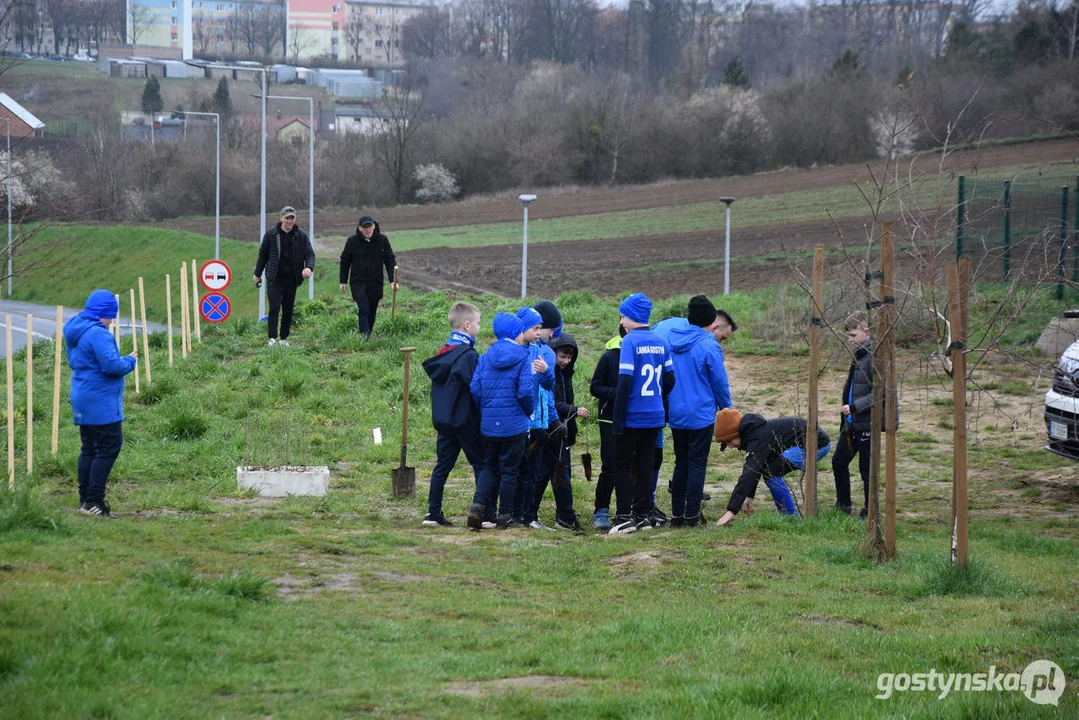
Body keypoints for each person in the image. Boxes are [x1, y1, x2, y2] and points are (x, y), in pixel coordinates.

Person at [653, 296, 733, 527]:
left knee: (681, 463)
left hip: (676, 413)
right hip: (700, 415)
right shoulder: (709, 345)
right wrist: (727, 409)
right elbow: (719, 382)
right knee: (697, 464)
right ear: (711, 322)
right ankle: (691, 515)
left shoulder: (671, 339)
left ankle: (677, 516)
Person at [64, 290, 138, 519]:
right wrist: (130, 360)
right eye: (110, 315)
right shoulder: (99, 335)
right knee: (109, 447)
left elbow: (73, 361)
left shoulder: (76, 329)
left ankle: (84, 499)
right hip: (100, 400)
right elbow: (112, 367)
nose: (112, 320)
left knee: (89, 448)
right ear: (104, 313)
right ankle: (94, 501)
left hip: (82, 394)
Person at [609, 293, 675, 535]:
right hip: (655, 415)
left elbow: (624, 382)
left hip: (632, 415)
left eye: (624, 316)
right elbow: (670, 379)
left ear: (633, 317)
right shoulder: (661, 341)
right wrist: (656, 398)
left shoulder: (629, 342)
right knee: (647, 465)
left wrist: (618, 418)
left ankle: (624, 516)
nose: (622, 321)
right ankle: (643, 515)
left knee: (622, 464)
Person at [467, 312, 534, 530]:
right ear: (517, 334)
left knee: (489, 467)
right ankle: (505, 515)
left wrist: (486, 409)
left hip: (489, 423)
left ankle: (477, 506)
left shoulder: (485, 356)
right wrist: (528, 411)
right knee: (510, 470)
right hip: (514, 425)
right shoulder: (523, 357)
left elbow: (475, 388)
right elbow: (525, 392)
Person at [421, 302, 484, 527]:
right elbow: (476, 388)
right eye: (477, 323)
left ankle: (433, 512)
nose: (479, 327)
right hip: (466, 421)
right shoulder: (468, 355)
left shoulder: (442, 352)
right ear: (467, 325)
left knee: (442, 466)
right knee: (481, 465)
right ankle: (482, 511)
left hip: (444, 421)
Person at [713, 408, 831, 527]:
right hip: (806, 442)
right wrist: (748, 496)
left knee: (770, 472)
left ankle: (791, 519)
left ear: (736, 433)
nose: (729, 446)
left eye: (728, 441)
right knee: (768, 469)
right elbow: (756, 466)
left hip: (816, 444)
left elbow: (749, 473)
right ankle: (789, 516)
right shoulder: (753, 433)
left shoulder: (757, 438)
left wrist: (731, 511)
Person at [832, 312, 897, 519]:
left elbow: (881, 392)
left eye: (853, 335)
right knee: (838, 462)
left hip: (866, 423)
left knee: (866, 470)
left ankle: (870, 511)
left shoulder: (876, 357)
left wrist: (855, 406)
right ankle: (843, 506)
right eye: (848, 336)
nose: (850, 340)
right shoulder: (859, 355)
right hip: (851, 423)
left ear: (866, 332)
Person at [535, 331, 587, 531]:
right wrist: (574, 410)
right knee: (556, 474)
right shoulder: (550, 374)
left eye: (569, 357)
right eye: (562, 356)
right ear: (553, 353)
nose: (566, 361)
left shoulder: (567, 374)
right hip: (551, 429)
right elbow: (555, 404)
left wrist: (571, 431)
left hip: (562, 430)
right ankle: (564, 517)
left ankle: (561, 515)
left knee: (557, 473)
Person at [515, 304, 556, 529]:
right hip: (522, 422)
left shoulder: (538, 351)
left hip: (538, 421)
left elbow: (548, 386)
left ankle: (530, 515)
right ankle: (518, 513)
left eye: (541, 328)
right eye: (535, 328)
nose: (539, 333)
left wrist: (546, 372)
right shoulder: (517, 353)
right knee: (521, 470)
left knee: (533, 471)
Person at [253, 205, 315, 347]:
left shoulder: (301, 236)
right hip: (274, 278)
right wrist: (257, 274)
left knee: (288, 309)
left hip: (292, 279)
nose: (290, 221)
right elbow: (263, 255)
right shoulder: (271, 235)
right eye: (287, 218)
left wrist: (308, 267)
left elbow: (310, 254)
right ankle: (272, 338)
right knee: (274, 307)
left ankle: (283, 339)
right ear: (281, 218)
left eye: (292, 218)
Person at [339, 215, 398, 337]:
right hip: (358, 281)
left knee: (372, 309)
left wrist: (393, 280)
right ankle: (364, 337)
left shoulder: (382, 240)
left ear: (374, 226)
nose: (367, 229)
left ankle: (368, 334)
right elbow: (345, 261)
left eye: (369, 226)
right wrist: (343, 281)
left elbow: (389, 260)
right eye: (364, 227)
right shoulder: (352, 242)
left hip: (375, 281)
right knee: (363, 307)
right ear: (359, 228)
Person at [589, 326, 624, 530]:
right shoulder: (609, 357)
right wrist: (620, 393)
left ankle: (625, 511)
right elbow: (595, 387)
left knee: (630, 466)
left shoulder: (641, 354)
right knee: (609, 466)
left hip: (635, 420)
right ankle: (601, 511)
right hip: (609, 418)